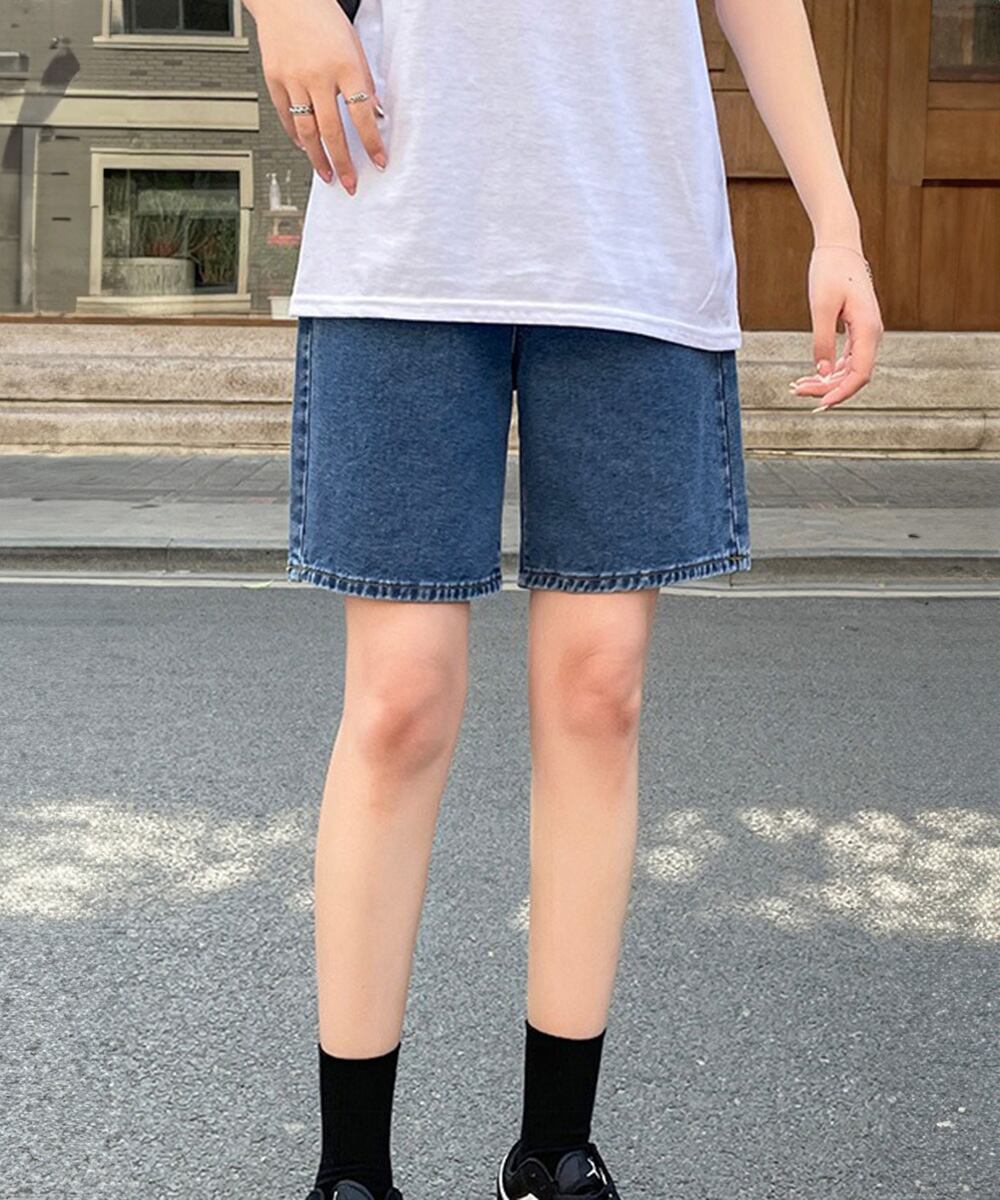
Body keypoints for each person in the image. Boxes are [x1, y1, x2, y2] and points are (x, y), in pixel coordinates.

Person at [243, 2, 885, 1198]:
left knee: (599, 693)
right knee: (397, 703)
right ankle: (351, 1172)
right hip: (402, 218)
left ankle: (554, 1152)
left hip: (630, 230)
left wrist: (835, 226)